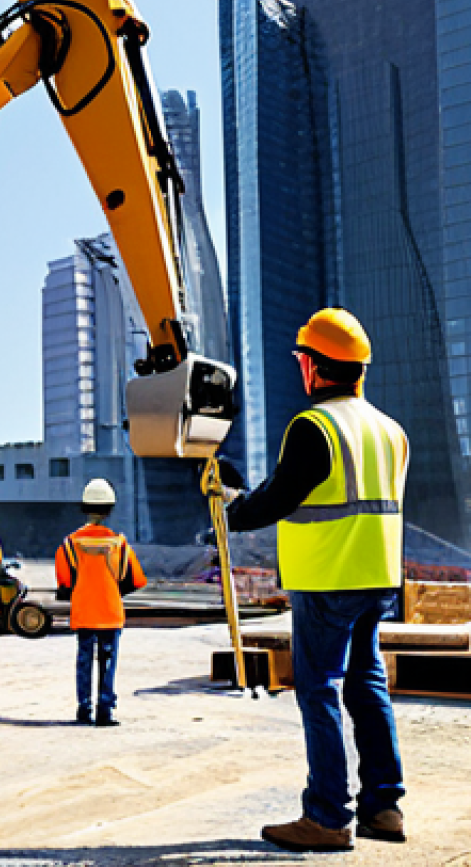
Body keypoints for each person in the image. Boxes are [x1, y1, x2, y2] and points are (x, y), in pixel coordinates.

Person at [220, 308, 409, 853]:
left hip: (328, 579)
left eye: (303, 358)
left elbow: (281, 496)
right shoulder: (390, 430)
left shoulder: (315, 425)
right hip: (377, 576)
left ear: (315, 366)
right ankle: (384, 808)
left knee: (319, 688)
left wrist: (230, 512)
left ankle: (327, 816)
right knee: (366, 685)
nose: (300, 366)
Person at [55, 478, 146, 727]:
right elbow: (137, 579)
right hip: (110, 611)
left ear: (84, 507)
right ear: (109, 509)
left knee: (84, 659)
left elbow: (64, 581)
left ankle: (84, 709)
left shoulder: (69, 544)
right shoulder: (119, 543)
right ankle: (105, 711)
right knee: (108, 660)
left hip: (84, 611)